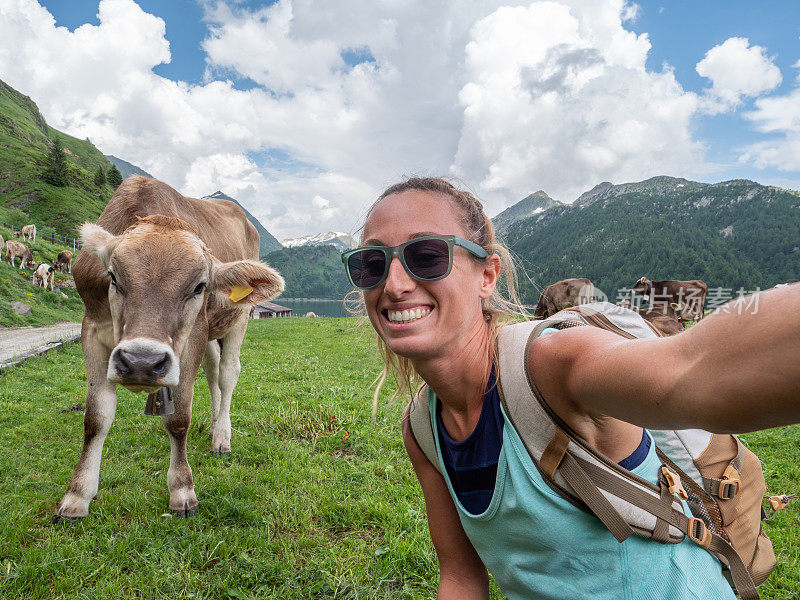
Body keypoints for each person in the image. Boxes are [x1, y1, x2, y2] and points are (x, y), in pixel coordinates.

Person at [341, 176, 800, 599]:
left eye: (427, 256)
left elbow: (690, 373)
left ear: (486, 276)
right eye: (371, 263)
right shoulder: (423, 426)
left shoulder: (551, 365)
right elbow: (460, 575)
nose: (395, 284)